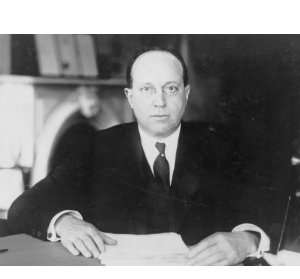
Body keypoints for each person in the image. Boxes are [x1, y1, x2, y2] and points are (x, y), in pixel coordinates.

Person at [7, 48, 271, 265]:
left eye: (170, 89)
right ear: (130, 97)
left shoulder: (225, 145)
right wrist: (63, 222)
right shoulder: (95, 147)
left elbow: (276, 208)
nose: (159, 102)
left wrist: (248, 239)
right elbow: (25, 206)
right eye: (147, 89)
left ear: (186, 94)